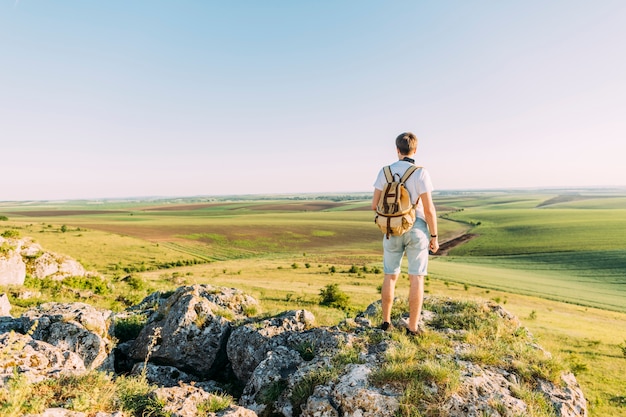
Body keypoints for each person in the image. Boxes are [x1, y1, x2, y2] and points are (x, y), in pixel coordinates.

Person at [371, 132, 439, 335]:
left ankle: (385, 322)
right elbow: (429, 210)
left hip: (391, 229)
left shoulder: (384, 172)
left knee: (390, 275)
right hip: (416, 228)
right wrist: (434, 236)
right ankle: (412, 327)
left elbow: (374, 205)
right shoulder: (420, 173)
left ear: (397, 150)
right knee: (416, 277)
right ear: (415, 150)